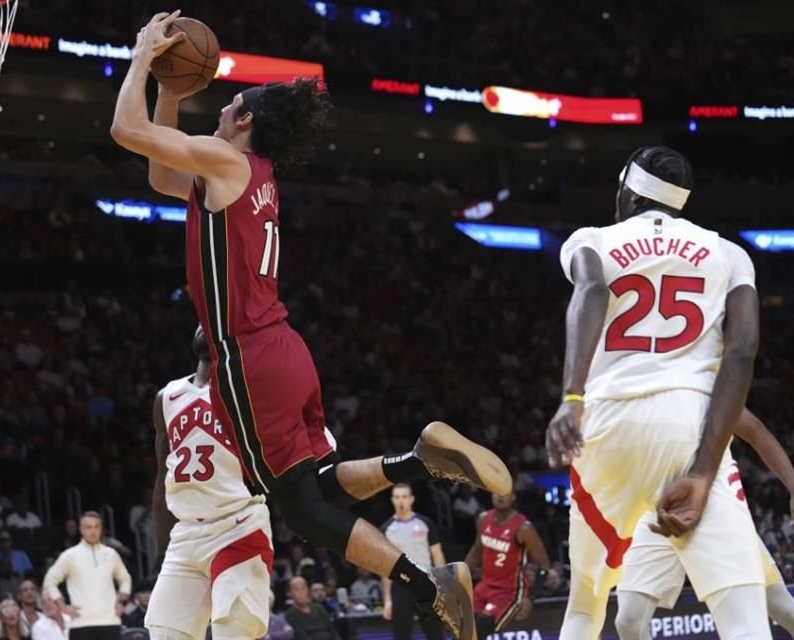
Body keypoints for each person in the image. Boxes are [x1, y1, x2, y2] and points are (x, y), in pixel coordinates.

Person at [111, 13, 512, 638]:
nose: (217, 111)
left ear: (243, 121)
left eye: (227, 106)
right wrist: (170, 87)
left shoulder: (224, 160)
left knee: (294, 504)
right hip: (287, 349)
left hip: (244, 357)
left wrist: (141, 58)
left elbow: (124, 130)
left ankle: (424, 583)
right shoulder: (254, 177)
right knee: (317, 481)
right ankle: (419, 458)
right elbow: (160, 173)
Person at [547, 146, 768, 639]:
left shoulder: (592, 240)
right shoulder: (730, 254)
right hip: (691, 422)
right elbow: (742, 352)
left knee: (585, 606)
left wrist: (571, 397)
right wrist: (705, 470)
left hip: (606, 422)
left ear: (627, 191)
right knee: (746, 620)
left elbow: (592, 291)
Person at [616, 408, 794, 639]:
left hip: (715, 509)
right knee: (629, 621)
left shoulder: (705, 382)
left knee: (784, 610)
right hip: (659, 512)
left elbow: (756, 431)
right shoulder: (634, 392)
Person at [146, 327, 275, 639]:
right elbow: (163, 481)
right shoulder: (167, 397)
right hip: (186, 534)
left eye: (216, 319)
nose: (206, 323)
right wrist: (162, 551)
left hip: (238, 525)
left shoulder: (249, 392)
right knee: (164, 633)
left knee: (233, 633)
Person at [464, 492, 558, 638]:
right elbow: (475, 553)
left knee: (481, 627)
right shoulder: (483, 519)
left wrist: (530, 598)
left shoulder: (524, 528)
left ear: (513, 497)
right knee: (463, 627)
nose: (500, 496)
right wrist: (458, 579)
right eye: (496, 492)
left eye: (505, 493)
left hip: (509, 592)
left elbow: (544, 564)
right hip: (484, 587)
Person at [42, 511, 131, 640]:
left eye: (96, 527)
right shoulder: (70, 555)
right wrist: (63, 607)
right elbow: (50, 580)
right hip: (80, 623)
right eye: (88, 527)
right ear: (81, 529)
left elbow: (125, 578)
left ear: (101, 529)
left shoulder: (111, 554)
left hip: (110, 622)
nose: (93, 531)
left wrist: (122, 602)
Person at [380, 484, 444, 640]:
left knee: (436, 633)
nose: (401, 500)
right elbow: (384, 567)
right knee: (401, 635)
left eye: (404, 496)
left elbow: (438, 556)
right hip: (400, 586)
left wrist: (443, 589)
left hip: (426, 583)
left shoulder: (425, 523)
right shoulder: (386, 528)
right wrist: (387, 600)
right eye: (397, 497)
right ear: (392, 500)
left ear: (411, 499)